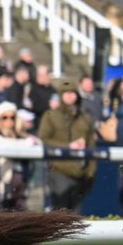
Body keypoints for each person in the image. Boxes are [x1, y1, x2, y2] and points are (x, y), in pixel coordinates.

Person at [37, 78, 95, 211]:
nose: (70, 96)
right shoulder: (50, 116)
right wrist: (68, 146)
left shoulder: (85, 117)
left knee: (76, 216)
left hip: (81, 172)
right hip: (59, 170)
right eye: (66, 93)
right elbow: (44, 140)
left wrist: (91, 171)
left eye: (73, 92)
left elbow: (92, 145)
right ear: (60, 95)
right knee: (60, 214)